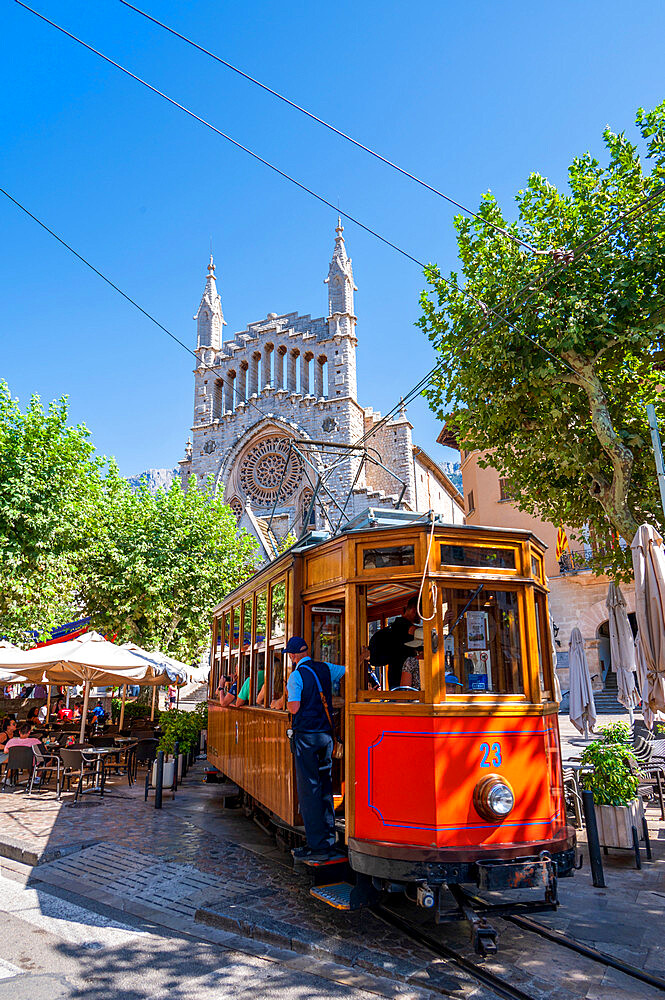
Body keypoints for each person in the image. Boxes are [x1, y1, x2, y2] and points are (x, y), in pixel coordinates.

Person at [285, 636, 345, 862]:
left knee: (309, 790)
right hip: (326, 737)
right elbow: (347, 671)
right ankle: (329, 840)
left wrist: (285, 699)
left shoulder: (296, 676)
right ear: (307, 652)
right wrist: (361, 657)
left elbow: (294, 707)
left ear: (292, 656)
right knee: (325, 787)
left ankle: (316, 845)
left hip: (306, 738)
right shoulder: (326, 667)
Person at [387, 596, 420, 689]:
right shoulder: (406, 626)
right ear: (414, 611)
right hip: (402, 674)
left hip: (394, 672)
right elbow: (424, 633)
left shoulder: (395, 625)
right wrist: (442, 623)